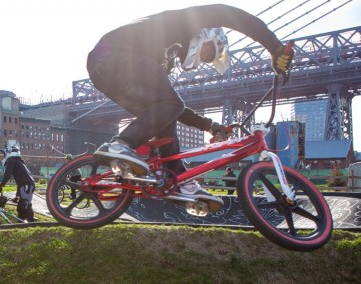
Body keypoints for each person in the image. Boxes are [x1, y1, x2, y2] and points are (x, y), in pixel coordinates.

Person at [87, 4, 293, 211]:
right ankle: (120, 145)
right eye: (208, 51)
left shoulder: (164, 61)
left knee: (165, 112)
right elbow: (228, 13)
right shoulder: (185, 23)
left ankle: (176, 179)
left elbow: (173, 108)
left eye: (208, 59)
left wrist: (209, 125)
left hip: (103, 71)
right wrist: (273, 46)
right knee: (170, 105)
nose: (202, 59)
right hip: (115, 53)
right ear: (205, 34)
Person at [0, 143, 35, 222]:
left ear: (9, 152)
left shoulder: (12, 160)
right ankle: (21, 225)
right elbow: (20, 181)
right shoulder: (17, 161)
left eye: (4, 153)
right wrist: (17, 196)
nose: (4, 155)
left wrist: (1, 185)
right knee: (21, 208)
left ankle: (32, 223)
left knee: (24, 205)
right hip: (26, 185)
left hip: (27, 185)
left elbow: (7, 174)